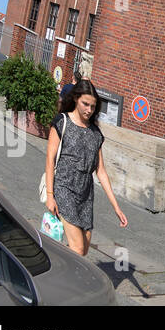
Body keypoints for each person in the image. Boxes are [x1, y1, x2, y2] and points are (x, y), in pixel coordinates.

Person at [44, 79, 128, 256]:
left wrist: (116, 207)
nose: (89, 110)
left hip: (85, 193)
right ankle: (67, 281)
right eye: (85, 104)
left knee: (82, 252)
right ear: (75, 99)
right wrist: (50, 196)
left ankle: (56, 266)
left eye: (92, 106)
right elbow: (50, 160)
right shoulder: (62, 122)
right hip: (64, 186)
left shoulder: (95, 133)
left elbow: (101, 171)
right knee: (77, 247)